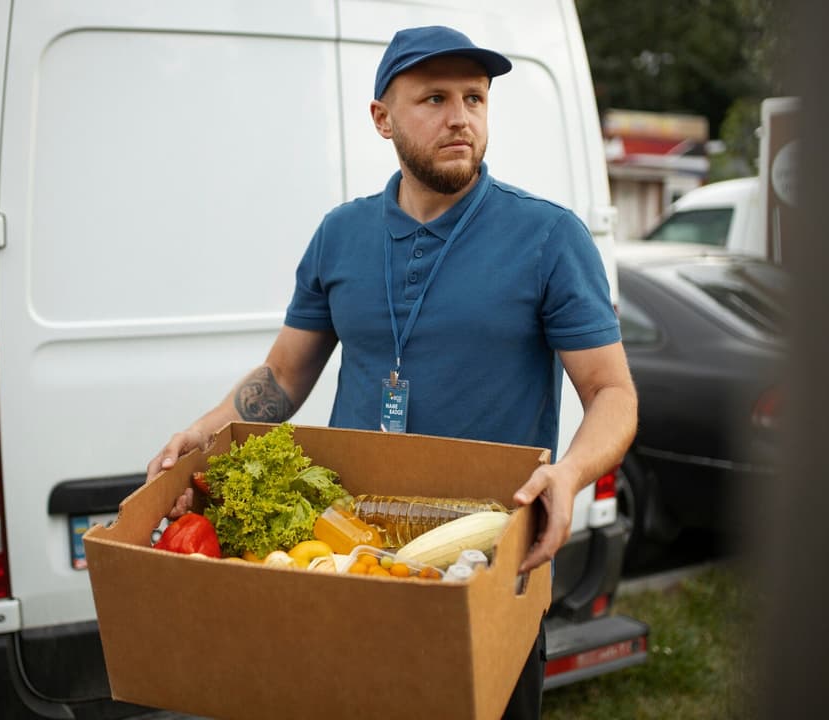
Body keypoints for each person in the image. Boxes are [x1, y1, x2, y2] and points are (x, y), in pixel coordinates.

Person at [148, 25, 637, 719]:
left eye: (475, 97)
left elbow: (612, 393)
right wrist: (203, 430)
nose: (460, 117)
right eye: (433, 98)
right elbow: (284, 376)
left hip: (485, 560)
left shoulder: (549, 239)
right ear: (382, 119)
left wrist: (569, 473)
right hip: (352, 558)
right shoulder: (339, 236)